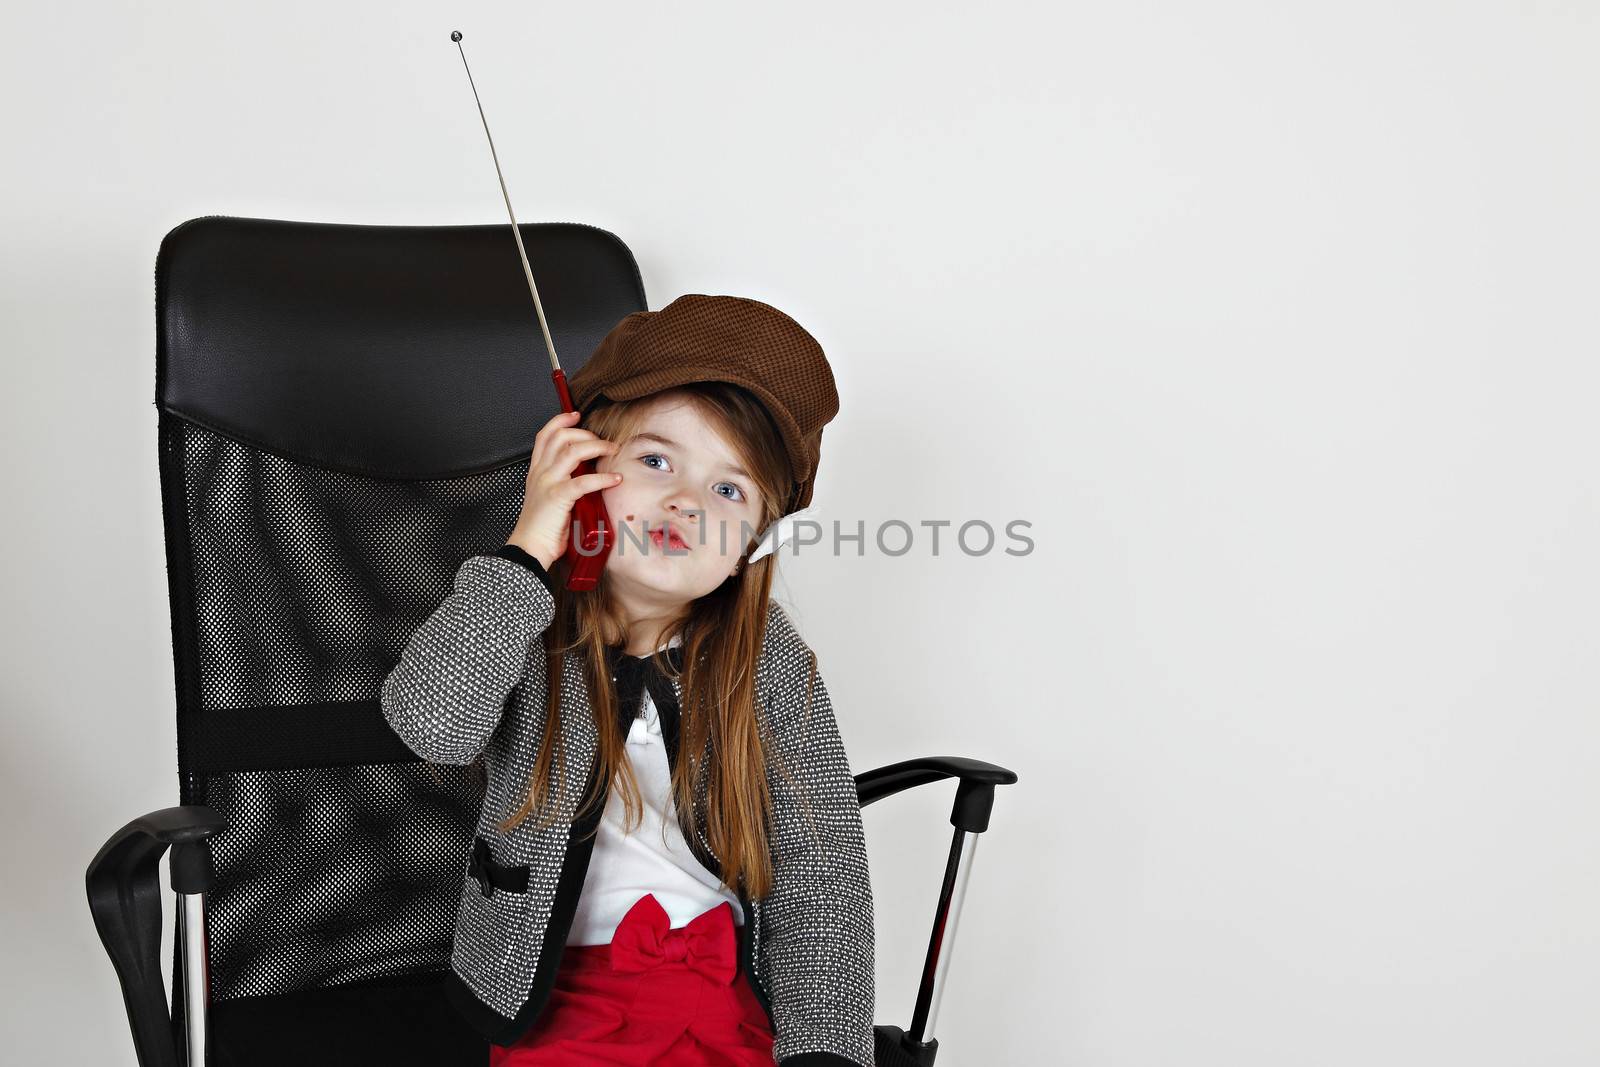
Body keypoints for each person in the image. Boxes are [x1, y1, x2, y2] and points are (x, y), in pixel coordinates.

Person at [380, 294, 875, 1066]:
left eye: (729, 489)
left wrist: (825, 1052)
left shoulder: (767, 656)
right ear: (581, 466)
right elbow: (431, 724)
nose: (685, 500)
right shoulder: (522, 618)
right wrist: (529, 547)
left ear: (749, 543)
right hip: (552, 999)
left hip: (719, 1000)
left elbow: (824, 872)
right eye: (655, 460)